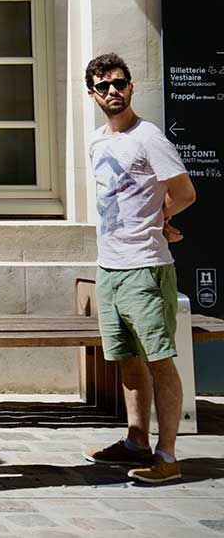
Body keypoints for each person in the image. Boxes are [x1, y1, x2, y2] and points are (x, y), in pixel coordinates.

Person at [81, 53, 195, 484]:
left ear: (131, 87)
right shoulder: (96, 142)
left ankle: (167, 456)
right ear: (92, 93)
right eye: (103, 85)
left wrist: (162, 219)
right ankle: (135, 440)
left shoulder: (150, 138)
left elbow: (184, 191)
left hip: (146, 267)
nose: (113, 91)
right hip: (109, 267)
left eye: (119, 83)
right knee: (127, 360)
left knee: (159, 361)